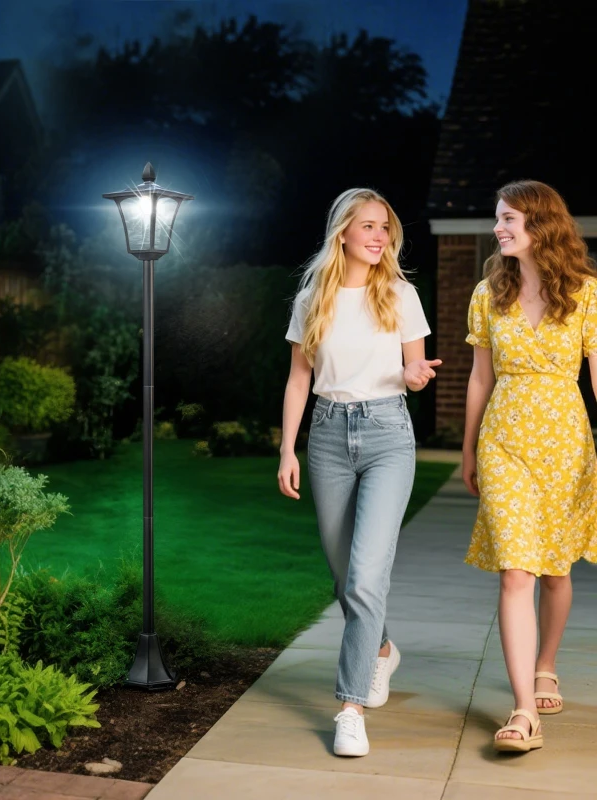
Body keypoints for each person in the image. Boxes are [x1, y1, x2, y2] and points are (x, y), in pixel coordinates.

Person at [277, 187, 439, 757]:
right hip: (324, 437)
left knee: (367, 576)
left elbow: (414, 366)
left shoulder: (400, 293)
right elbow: (299, 380)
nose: (379, 237)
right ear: (342, 231)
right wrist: (287, 450)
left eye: (385, 228)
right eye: (368, 226)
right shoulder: (312, 299)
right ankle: (381, 649)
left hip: (387, 435)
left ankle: (349, 709)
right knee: (345, 573)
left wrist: (416, 377)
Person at [462, 179, 597, 754]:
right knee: (516, 569)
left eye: (509, 218)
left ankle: (547, 663)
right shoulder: (487, 294)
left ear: (541, 224)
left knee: (556, 569)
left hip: (566, 444)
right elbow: (480, 378)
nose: (499, 228)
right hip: (504, 444)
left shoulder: (588, 294)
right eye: (498, 218)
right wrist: (469, 449)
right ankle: (523, 712)